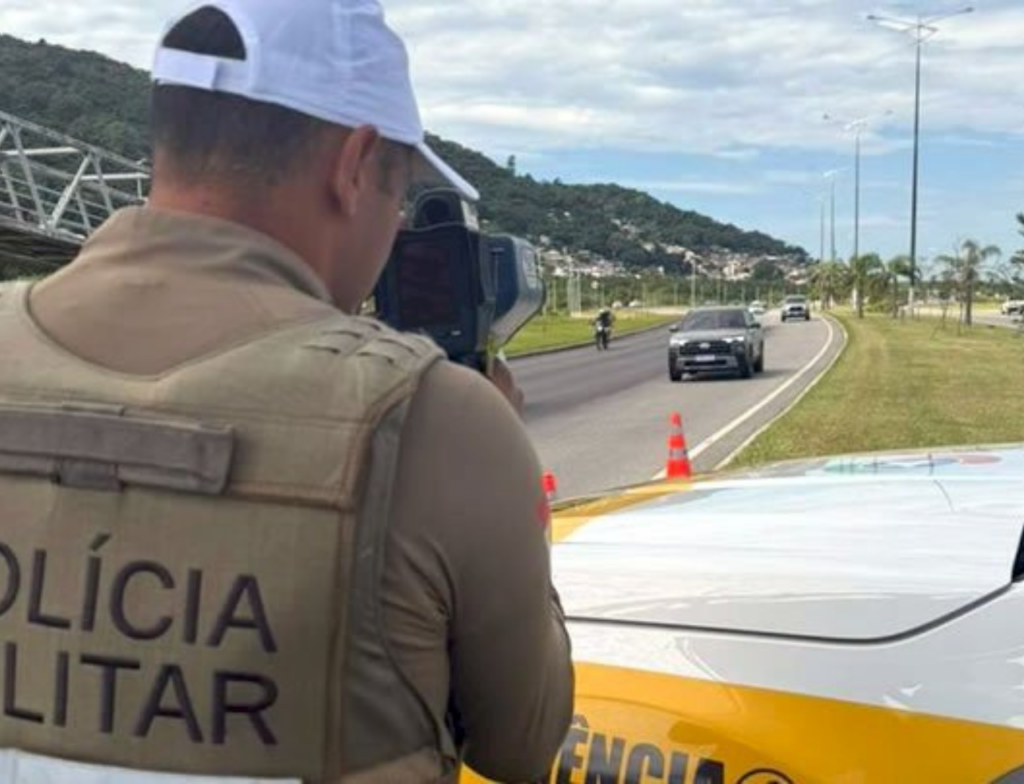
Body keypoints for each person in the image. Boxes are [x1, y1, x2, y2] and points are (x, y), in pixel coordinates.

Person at [0, 1, 573, 782]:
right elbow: (522, 744)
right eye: (397, 193)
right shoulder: (437, 418)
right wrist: (507, 483)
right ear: (353, 165)